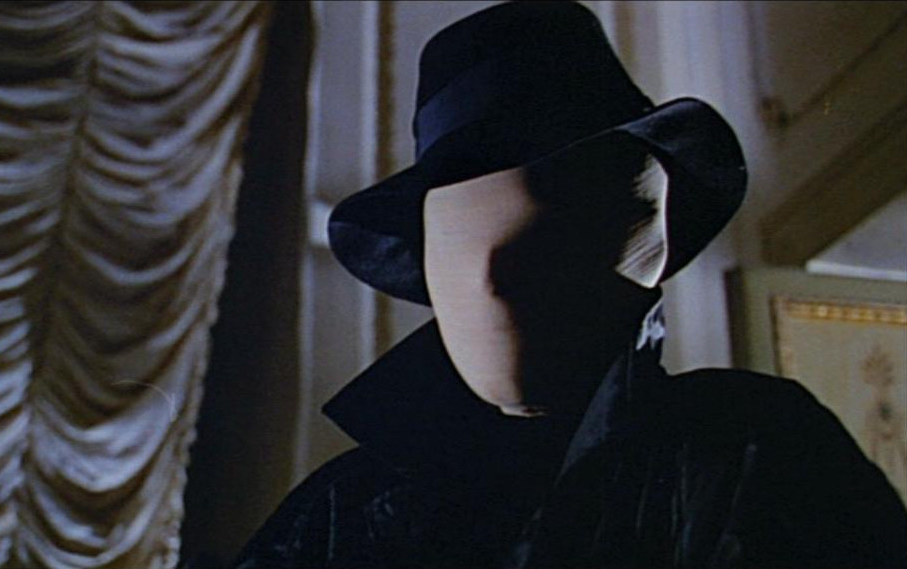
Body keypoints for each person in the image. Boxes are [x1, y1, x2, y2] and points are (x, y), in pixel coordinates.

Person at [229, 2, 907, 567]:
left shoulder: (748, 448)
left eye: (559, 228)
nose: (496, 280)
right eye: (467, 238)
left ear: (649, 240)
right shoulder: (338, 515)